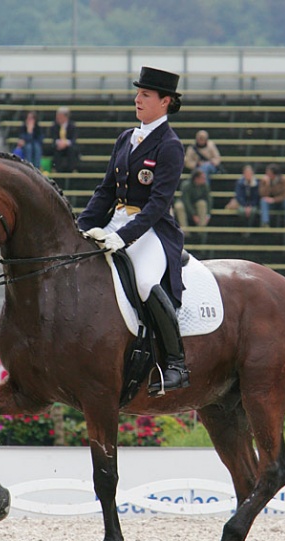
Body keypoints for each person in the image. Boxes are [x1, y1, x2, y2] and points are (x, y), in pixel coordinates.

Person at [78, 66, 190, 395]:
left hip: (151, 230)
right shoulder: (126, 138)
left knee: (144, 283)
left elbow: (157, 205)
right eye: (138, 93)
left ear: (165, 102)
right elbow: (105, 191)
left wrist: (123, 237)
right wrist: (82, 227)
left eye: (145, 95)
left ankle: (175, 364)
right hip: (115, 220)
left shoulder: (170, 146)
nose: (137, 99)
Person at [50, 106, 79, 173]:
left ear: (65, 117)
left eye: (59, 116)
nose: (57, 118)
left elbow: (74, 139)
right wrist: (60, 143)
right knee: (56, 149)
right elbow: (54, 138)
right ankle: (57, 169)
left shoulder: (72, 126)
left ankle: (72, 169)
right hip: (59, 146)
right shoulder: (54, 126)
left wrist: (66, 143)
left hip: (68, 146)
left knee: (72, 150)